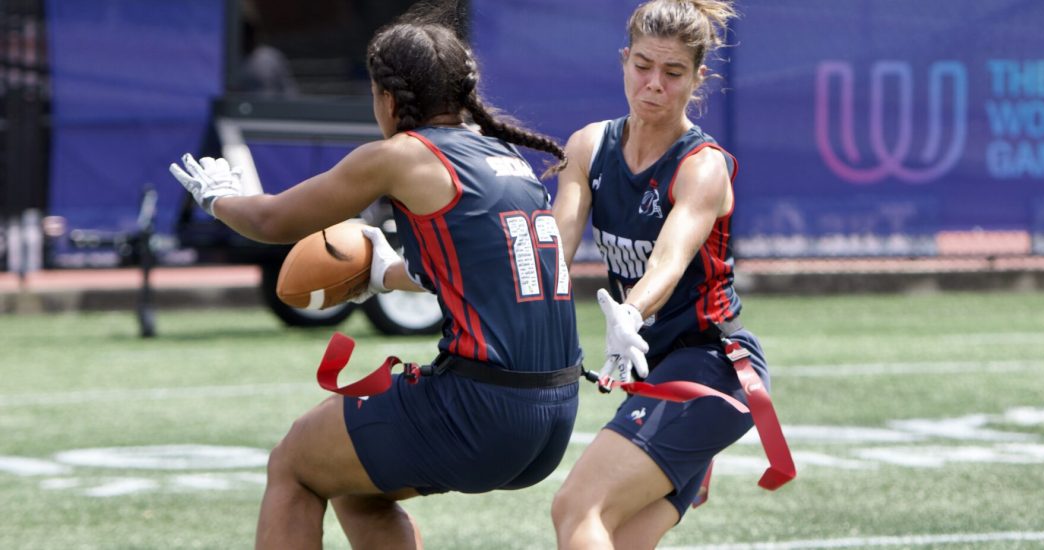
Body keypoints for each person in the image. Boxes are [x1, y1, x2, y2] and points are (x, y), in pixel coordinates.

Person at [171, 12, 581, 550]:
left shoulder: (403, 156)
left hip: (482, 408)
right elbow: (482, 271)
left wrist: (218, 197)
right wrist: (386, 274)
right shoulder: (505, 156)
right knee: (353, 482)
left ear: (387, 97)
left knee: (294, 463)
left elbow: (272, 222)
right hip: (555, 414)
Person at [548, 0, 773, 548]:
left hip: (712, 370)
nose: (654, 84)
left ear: (697, 78)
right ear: (623, 60)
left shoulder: (702, 165)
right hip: (658, 373)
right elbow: (552, 253)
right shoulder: (589, 146)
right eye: (643, 65)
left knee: (577, 508)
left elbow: (667, 263)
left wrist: (630, 311)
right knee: (617, 536)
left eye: (673, 73)